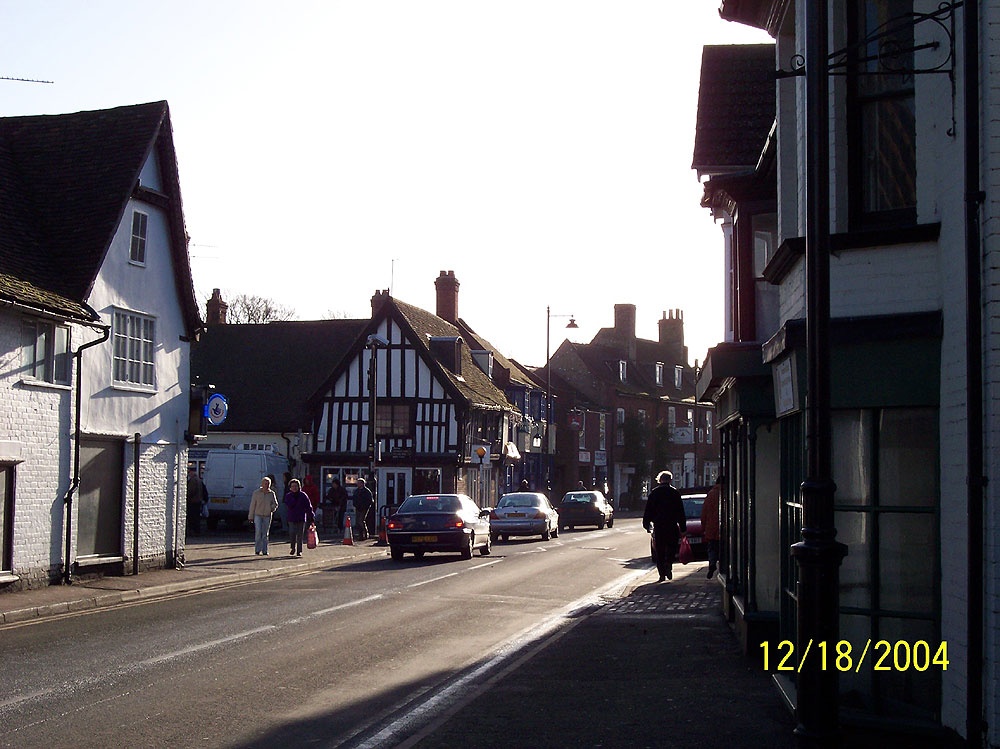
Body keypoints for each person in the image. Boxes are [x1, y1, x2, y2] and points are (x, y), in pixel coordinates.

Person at [642, 470, 687, 582]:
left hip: (659, 525)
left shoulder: (654, 493)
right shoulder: (674, 493)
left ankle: (661, 573)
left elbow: (648, 510)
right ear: (670, 480)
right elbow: (680, 511)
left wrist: (646, 524)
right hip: (672, 525)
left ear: (660, 480)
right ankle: (669, 565)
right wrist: (683, 527)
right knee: (671, 548)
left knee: (660, 550)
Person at [248, 476, 279, 556]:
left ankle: (265, 550)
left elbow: (275, 504)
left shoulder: (272, 493)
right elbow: (252, 505)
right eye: (265, 483)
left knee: (265, 533)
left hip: (267, 515)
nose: (266, 485)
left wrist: (271, 508)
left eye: (268, 484)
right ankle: (257, 550)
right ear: (262, 484)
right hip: (257, 515)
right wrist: (250, 516)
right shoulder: (256, 493)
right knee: (258, 532)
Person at [284, 478, 315, 557]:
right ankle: (292, 547)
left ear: (299, 487)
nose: (294, 488)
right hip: (291, 518)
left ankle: (299, 550)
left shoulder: (303, 495)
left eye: (296, 486)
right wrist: (294, 498)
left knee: (300, 535)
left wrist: (311, 516)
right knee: (292, 533)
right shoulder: (288, 496)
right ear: (290, 488)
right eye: (292, 486)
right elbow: (289, 505)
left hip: (301, 517)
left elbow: (308, 506)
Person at [702, 474, 723, 579]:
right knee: (723, 549)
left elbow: (704, 512)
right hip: (724, 528)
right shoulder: (727, 493)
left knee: (712, 548)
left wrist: (703, 527)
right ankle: (723, 567)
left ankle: (712, 563)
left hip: (711, 527)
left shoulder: (710, 494)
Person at [186, 467, 207, 536]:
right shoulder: (199, 480)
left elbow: (190, 491)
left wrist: (186, 498)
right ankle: (197, 531)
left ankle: (193, 531)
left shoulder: (193, 481)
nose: (188, 474)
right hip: (198, 501)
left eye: (189, 472)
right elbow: (204, 491)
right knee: (197, 518)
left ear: (192, 472)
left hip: (193, 502)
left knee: (192, 518)